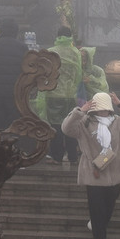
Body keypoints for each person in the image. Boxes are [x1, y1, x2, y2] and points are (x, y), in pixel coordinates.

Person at [61, 91, 120, 239]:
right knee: (97, 212)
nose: (103, 112)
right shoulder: (84, 123)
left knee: (109, 205)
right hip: (94, 172)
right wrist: (80, 110)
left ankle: (97, 224)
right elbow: (66, 128)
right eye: (100, 109)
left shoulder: (118, 122)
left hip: (115, 172)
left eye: (106, 109)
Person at [43, 26, 84, 163]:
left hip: (54, 95)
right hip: (70, 95)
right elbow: (78, 75)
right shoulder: (76, 53)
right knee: (71, 124)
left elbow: (44, 74)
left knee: (55, 126)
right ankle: (73, 156)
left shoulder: (50, 52)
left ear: (57, 36)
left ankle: (57, 156)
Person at [0, 19, 28, 129]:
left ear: (1, 31)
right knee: (13, 122)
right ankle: (11, 145)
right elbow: (26, 69)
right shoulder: (22, 47)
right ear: (16, 32)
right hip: (14, 92)